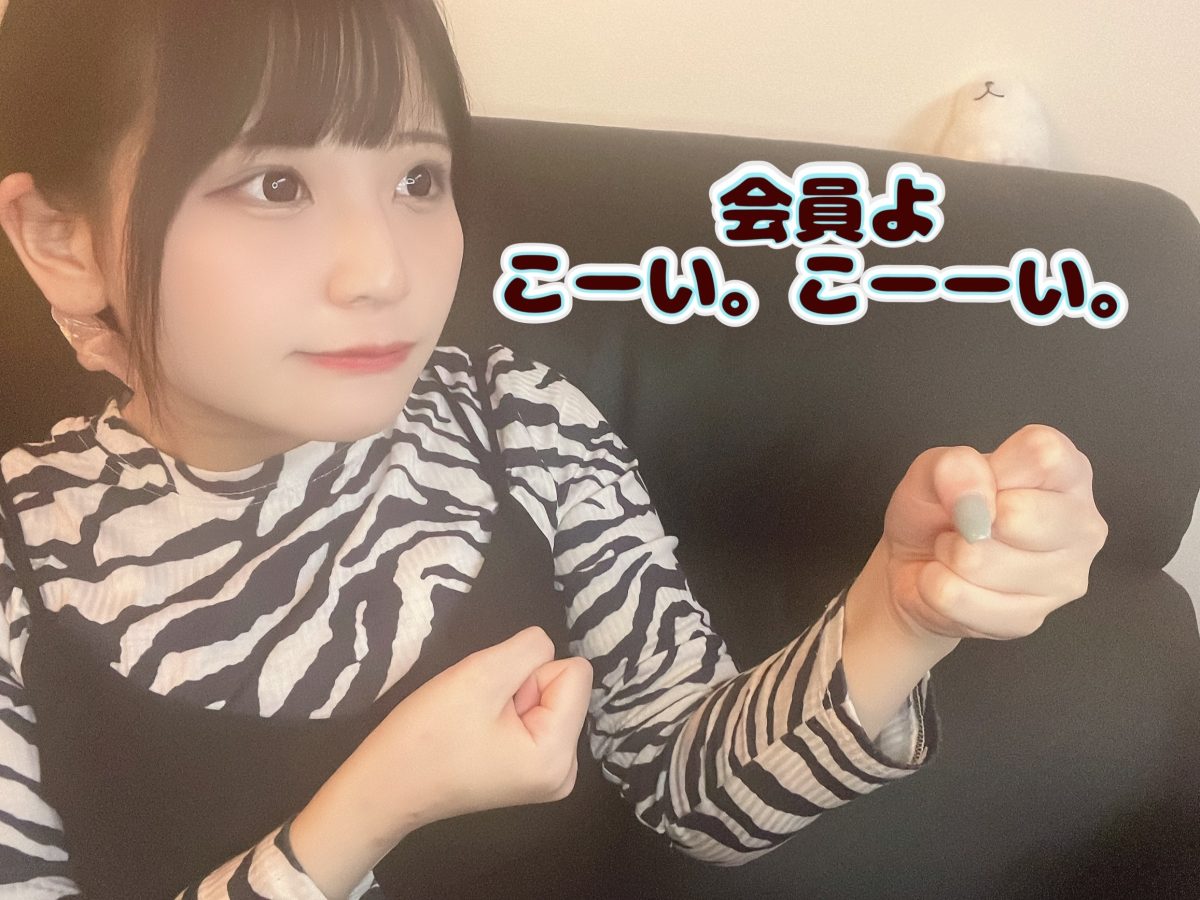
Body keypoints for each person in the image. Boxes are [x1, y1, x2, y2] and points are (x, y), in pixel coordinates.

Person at [0, 2, 1108, 899]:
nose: (382, 269)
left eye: (417, 179)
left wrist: (901, 613)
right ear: (62, 239)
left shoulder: (517, 420)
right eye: (275, 184)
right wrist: (360, 818)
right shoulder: (19, 563)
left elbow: (702, 800)